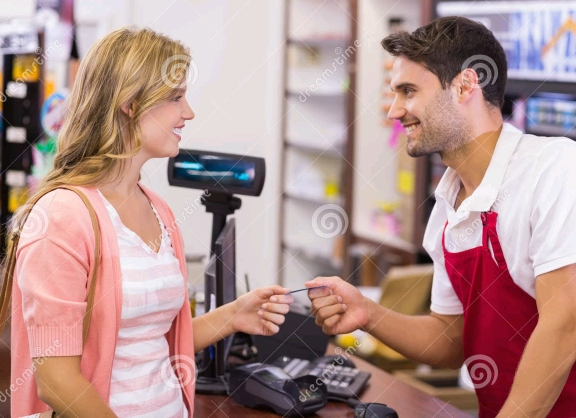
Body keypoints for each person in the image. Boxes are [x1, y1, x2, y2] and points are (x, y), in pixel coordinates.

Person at [9, 27, 294, 417]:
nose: (188, 112)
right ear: (130, 103)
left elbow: (150, 340)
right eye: (176, 98)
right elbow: (56, 379)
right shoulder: (62, 216)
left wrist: (233, 315)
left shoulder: (157, 208)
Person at [306, 16, 576, 418]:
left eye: (408, 91)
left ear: (466, 85)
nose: (395, 110)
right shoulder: (449, 203)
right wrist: (368, 313)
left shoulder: (554, 169)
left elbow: (565, 324)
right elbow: (450, 341)